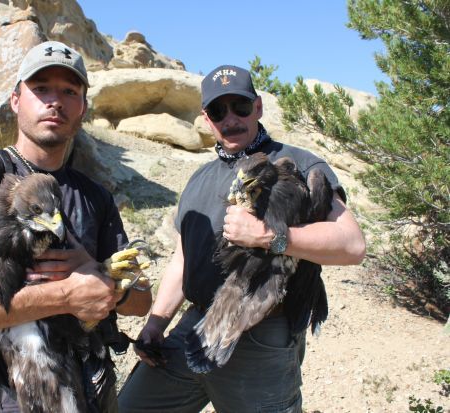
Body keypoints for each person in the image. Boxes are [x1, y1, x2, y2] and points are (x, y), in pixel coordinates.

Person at [0, 40, 152, 412]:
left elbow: (140, 302)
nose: (55, 101)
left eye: (69, 91)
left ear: (83, 108)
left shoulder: (96, 196)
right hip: (14, 396)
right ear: (15, 100)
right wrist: (66, 295)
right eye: (41, 88)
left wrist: (103, 279)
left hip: (94, 390)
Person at [118, 65, 366, 413]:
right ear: (207, 119)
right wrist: (156, 323)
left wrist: (270, 237)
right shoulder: (199, 179)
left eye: (241, 107)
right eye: (219, 111)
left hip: (262, 336)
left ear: (258, 107)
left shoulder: (301, 165)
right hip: (197, 322)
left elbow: (352, 244)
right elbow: (182, 259)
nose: (230, 118)